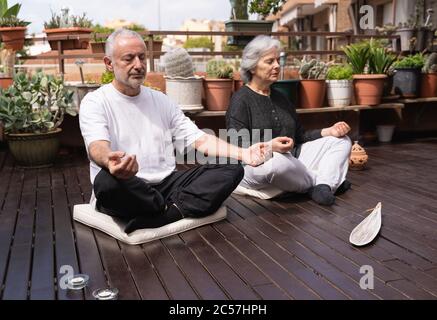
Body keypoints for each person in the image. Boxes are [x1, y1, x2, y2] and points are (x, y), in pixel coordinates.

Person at [79, 29, 267, 233]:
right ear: (109, 63)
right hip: (128, 185)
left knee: (231, 167)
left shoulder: (161, 100)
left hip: (166, 184)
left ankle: (166, 214)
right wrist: (110, 161)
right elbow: (96, 146)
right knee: (106, 183)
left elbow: (200, 139)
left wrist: (244, 153)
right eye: (129, 58)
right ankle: (173, 207)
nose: (138, 65)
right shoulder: (96, 101)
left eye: (142, 57)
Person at [226, 35, 352, 206]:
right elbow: (237, 148)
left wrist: (328, 131)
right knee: (276, 164)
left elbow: (300, 137)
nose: (277, 66)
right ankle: (326, 182)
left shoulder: (281, 98)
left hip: (294, 159)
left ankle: (323, 185)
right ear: (253, 67)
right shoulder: (240, 100)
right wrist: (270, 147)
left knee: (341, 141)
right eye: (270, 61)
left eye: (277, 60)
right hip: (257, 166)